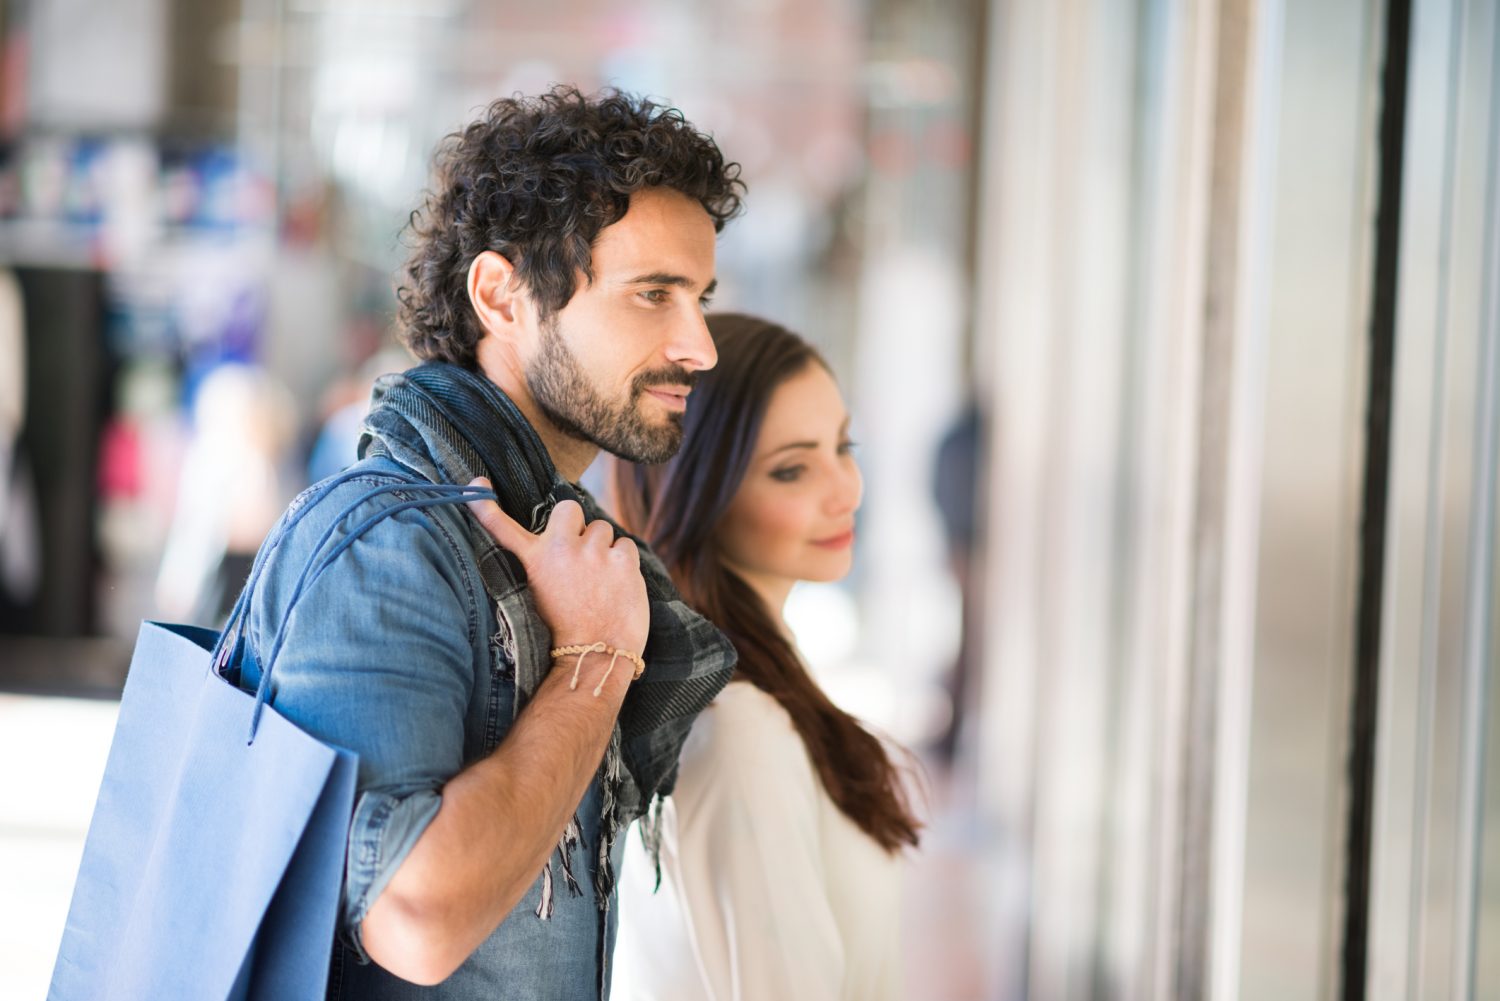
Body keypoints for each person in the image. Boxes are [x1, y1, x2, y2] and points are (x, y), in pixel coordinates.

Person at [232, 87, 744, 998]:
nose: (699, 343)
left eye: (699, 297)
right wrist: (595, 661)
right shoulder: (395, 544)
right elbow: (414, 914)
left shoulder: (554, 544)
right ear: (501, 295)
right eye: (653, 294)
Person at [608, 314, 924, 1000]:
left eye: (845, 446)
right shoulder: (739, 723)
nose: (847, 490)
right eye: (792, 469)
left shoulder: (746, 689)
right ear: (699, 494)